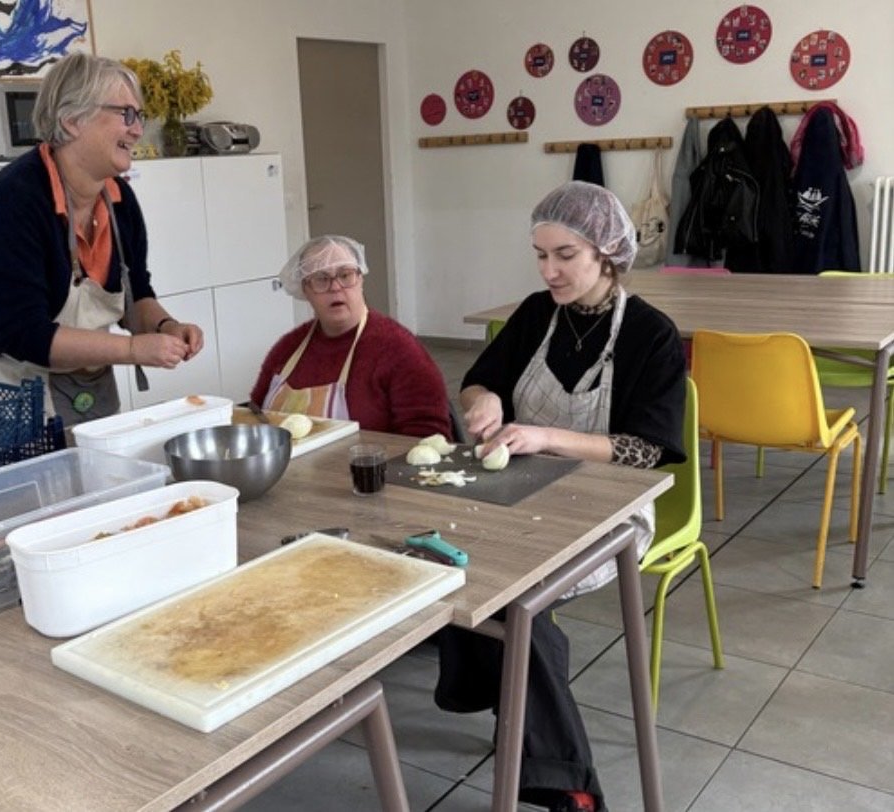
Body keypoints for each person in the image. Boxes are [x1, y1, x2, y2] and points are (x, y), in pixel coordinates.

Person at [434, 181, 686, 812]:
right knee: (449, 564)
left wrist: (547, 434)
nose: (549, 270)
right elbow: (479, 378)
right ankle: (500, 699)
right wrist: (483, 400)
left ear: (606, 252)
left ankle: (568, 784)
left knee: (516, 598)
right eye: (540, 255)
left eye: (565, 255)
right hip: (521, 491)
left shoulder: (651, 335)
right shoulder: (534, 315)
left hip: (613, 511)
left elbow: (647, 449)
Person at [0, 53, 204, 425]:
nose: (137, 130)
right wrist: (132, 348)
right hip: (4, 383)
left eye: (139, 116)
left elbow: (137, 294)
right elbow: (22, 333)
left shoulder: (119, 200)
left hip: (82, 375)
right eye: (125, 114)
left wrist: (166, 327)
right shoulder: (12, 201)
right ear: (71, 120)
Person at [249, 235, 451, 438]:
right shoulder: (287, 348)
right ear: (305, 290)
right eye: (321, 279)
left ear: (360, 279)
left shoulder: (398, 349)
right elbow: (254, 415)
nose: (335, 287)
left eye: (345, 275)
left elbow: (429, 434)